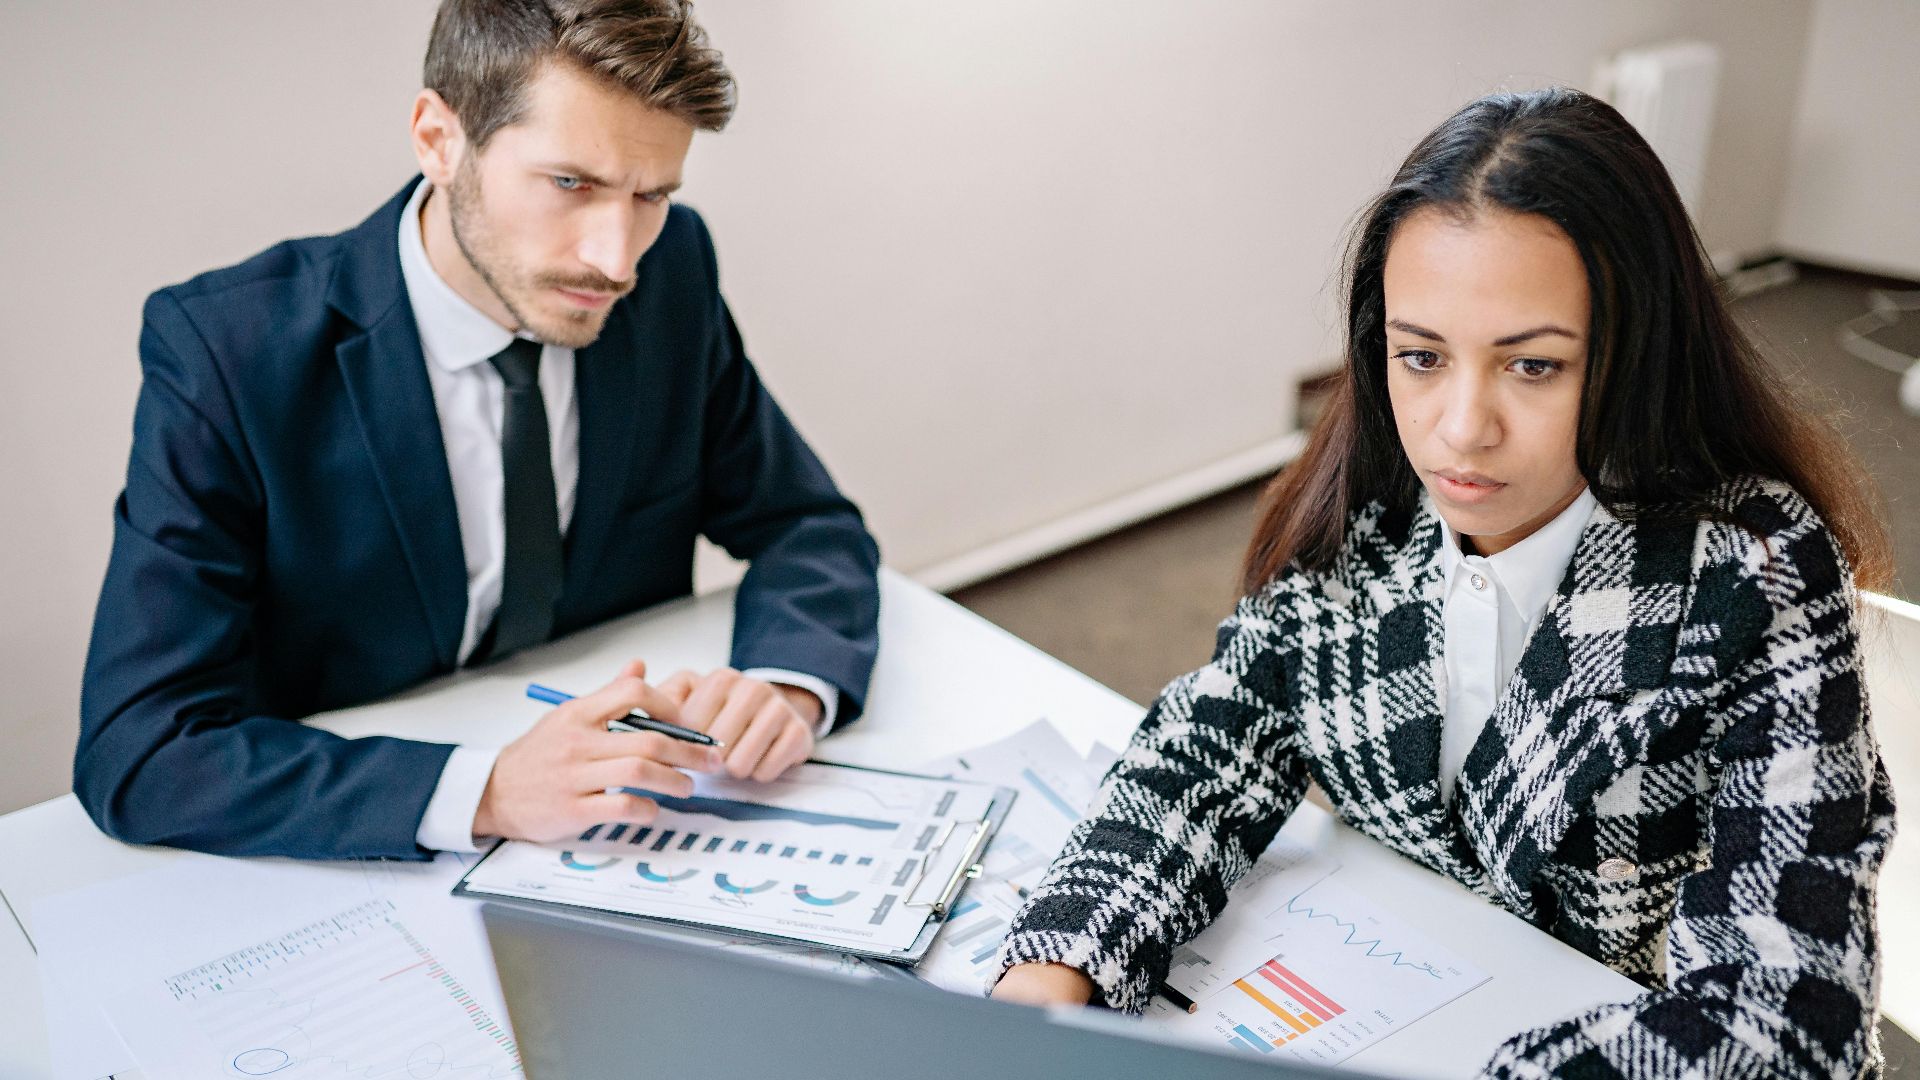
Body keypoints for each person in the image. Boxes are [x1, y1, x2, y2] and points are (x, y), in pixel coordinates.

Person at [992, 87, 1897, 1079]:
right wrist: (1054, 971)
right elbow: (1205, 757)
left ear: (1635, 357)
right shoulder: (1364, 505)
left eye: (1534, 368)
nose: (1461, 428)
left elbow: (1788, 1017)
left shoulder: (1750, 568)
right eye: (1420, 356)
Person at [75, 0, 880, 862]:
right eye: (571, 183)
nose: (616, 259)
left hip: (639, 836)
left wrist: (789, 686)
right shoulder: (230, 356)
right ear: (438, 139)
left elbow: (807, 525)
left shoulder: (670, 270)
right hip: (358, 858)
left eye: (651, 194)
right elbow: (141, 747)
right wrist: (488, 791)